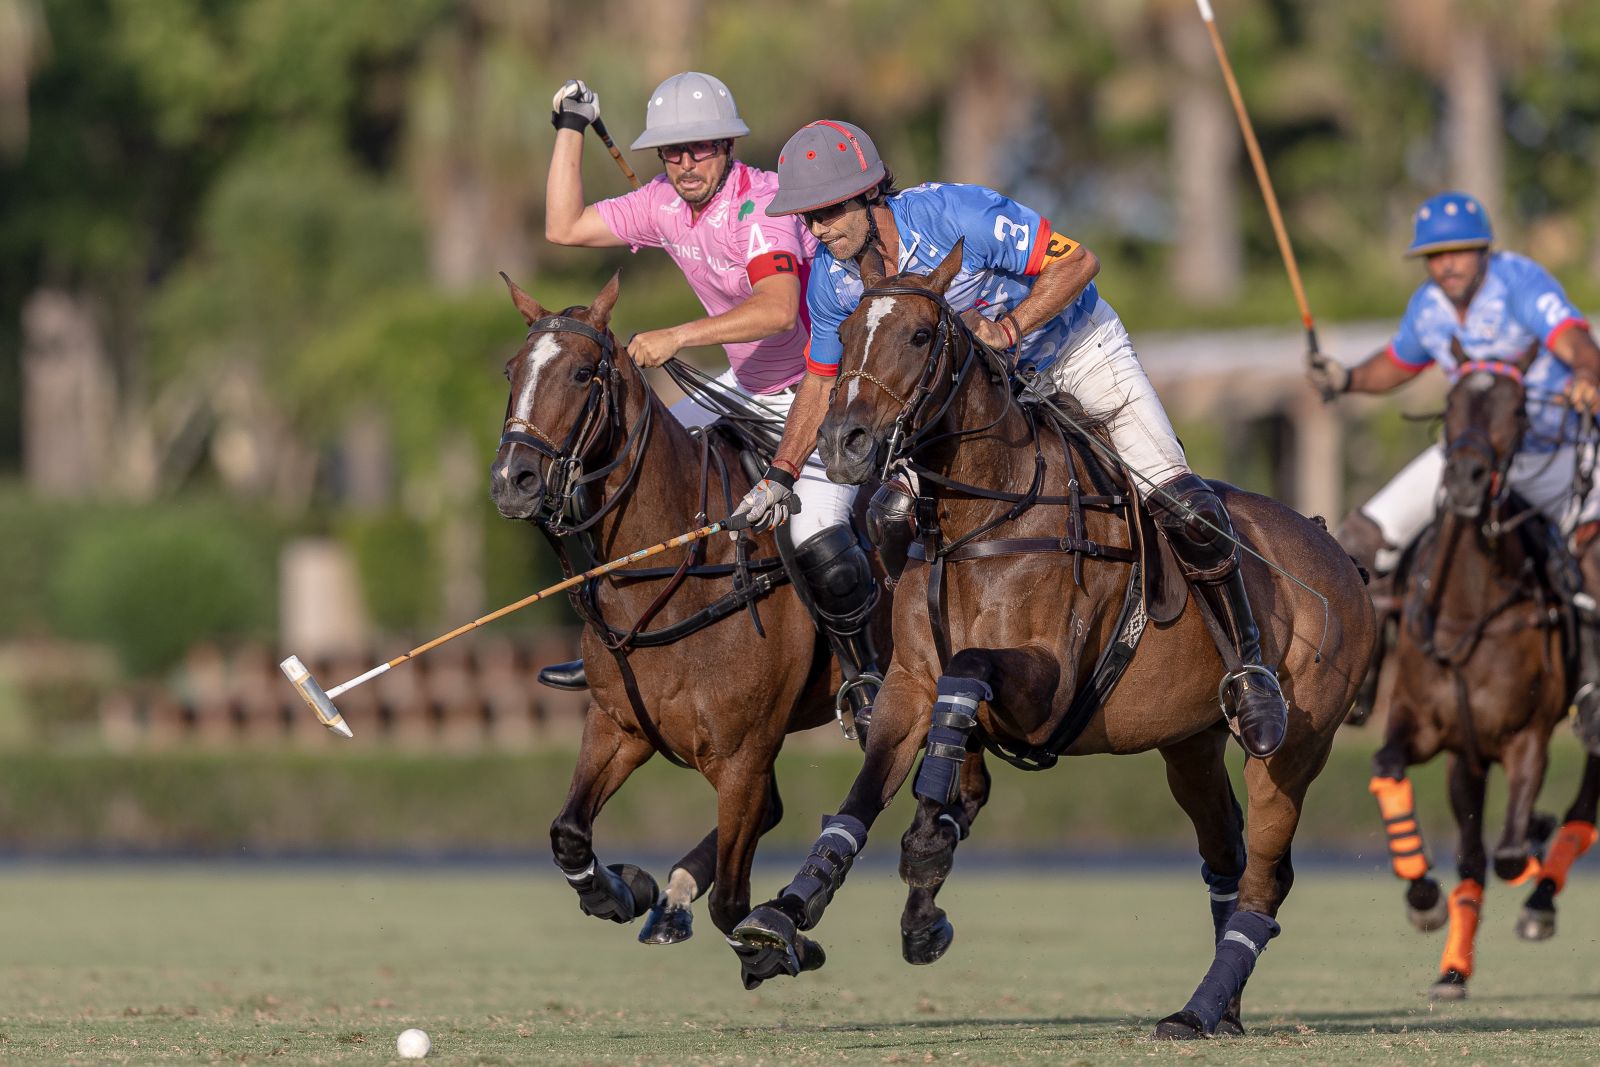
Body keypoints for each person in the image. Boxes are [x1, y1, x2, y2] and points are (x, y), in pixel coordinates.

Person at [732, 119, 1289, 759]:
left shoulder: (957, 214)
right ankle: (924, 677)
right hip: (991, 399)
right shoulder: (832, 282)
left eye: (827, 212)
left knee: (1184, 505)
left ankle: (1250, 667)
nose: (817, 229)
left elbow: (1078, 261)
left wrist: (1010, 328)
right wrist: (781, 474)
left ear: (867, 194)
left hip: (1078, 351)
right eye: (806, 218)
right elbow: (821, 381)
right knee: (888, 515)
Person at [541, 75, 883, 717]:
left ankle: (865, 677)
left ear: (727, 145)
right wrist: (570, 128)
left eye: (699, 148)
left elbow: (777, 309)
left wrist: (677, 336)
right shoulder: (661, 203)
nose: (686, 163)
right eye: (672, 152)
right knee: (627, 472)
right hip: (746, 388)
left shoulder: (763, 206)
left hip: (822, 392)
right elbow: (563, 227)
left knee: (816, 532)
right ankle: (613, 638)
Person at [1309, 191, 1600, 751]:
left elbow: (1575, 341)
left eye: (1459, 252)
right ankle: (1362, 682)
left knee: (1591, 557)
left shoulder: (1520, 283)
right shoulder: (1428, 306)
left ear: (1484, 249)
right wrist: (1346, 378)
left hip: (1546, 448)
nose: (1447, 265)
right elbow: (1400, 361)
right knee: (1362, 538)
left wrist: (1587, 373)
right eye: (1436, 256)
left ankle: (1590, 688)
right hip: (1468, 455)